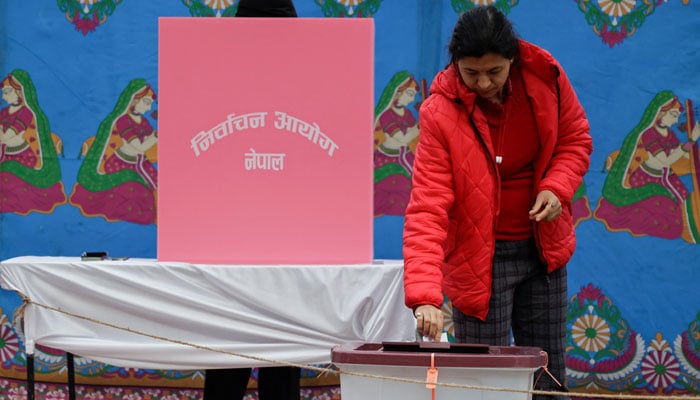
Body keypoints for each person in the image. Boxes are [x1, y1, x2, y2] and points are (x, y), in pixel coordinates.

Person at [402, 6, 592, 400]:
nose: (483, 83)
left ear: (513, 60)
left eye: (494, 71)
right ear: (455, 64)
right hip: (478, 263)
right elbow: (428, 205)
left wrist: (556, 188)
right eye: (471, 73)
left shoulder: (546, 79)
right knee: (480, 379)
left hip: (542, 252)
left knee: (547, 374)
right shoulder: (439, 113)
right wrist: (425, 297)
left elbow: (574, 140)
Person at [202, 1, 302, 399]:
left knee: (284, 362)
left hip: (292, 248)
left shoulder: (308, 87)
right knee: (227, 361)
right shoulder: (216, 87)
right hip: (230, 247)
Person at [594, 91, 700, 242]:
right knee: (668, 209)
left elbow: (683, 154)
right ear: (660, 113)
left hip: (668, 177)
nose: (676, 120)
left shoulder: (669, 134)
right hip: (649, 178)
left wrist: (693, 150)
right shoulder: (649, 134)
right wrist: (690, 142)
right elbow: (666, 160)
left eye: (677, 116)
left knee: (684, 202)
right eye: (674, 114)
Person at [69, 79, 158, 225]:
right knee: (139, 193)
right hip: (121, 164)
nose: (149, 108)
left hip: (140, 163)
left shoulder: (143, 121)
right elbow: (139, 147)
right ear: (134, 100)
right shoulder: (123, 121)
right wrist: (155, 136)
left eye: (150, 104)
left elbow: (149, 145)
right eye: (146, 102)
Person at [1, 70, 67, 215]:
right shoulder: (4, 112)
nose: (3, 96)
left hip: (23, 157)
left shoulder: (26, 113)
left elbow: (5, 137)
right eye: (3, 92)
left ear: (19, 91)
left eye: (7, 91)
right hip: (4, 155)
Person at [373, 71, 421, 216]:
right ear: (398, 93)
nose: (412, 99)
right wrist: (420, 125)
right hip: (389, 160)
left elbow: (414, 136)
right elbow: (403, 138)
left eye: (413, 95)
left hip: (407, 156)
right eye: (410, 93)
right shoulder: (387, 115)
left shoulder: (407, 113)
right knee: (403, 191)